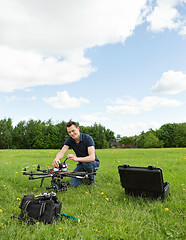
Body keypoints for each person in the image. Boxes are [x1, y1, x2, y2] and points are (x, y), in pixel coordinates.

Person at [52, 121, 100, 187]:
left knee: (86, 163)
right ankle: (84, 176)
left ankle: (91, 179)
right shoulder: (70, 140)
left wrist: (76, 158)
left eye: (73, 130)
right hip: (81, 164)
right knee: (73, 184)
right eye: (69, 132)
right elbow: (62, 152)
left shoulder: (88, 138)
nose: (72, 133)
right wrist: (56, 159)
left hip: (93, 163)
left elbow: (92, 158)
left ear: (78, 128)